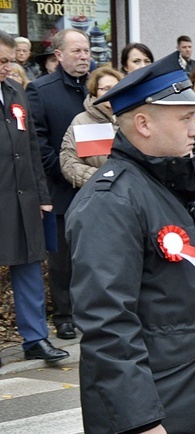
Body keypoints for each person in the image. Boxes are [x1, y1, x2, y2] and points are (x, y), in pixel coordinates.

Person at [66, 50, 195, 434]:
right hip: (155, 409)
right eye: (186, 119)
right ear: (143, 123)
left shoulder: (170, 184)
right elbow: (108, 323)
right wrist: (140, 420)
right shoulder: (111, 201)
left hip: (192, 393)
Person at [0, 29, 70, 364]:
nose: (6, 67)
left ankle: (35, 338)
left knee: (28, 264)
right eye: (1, 61)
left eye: (10, 61)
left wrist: (43, 196)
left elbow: (29, 150)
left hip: (23, 196)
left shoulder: (16, 92)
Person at [26, 28, 91, 341]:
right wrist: (64, 171)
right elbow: (36, 139)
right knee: (62, 259)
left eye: (87, 51)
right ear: (59, 55)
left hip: (94, 185)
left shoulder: (95, 89)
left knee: (93, 255)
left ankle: (89, 311)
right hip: (61, 187)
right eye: (76, 51)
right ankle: (64, 316)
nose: (83, 57)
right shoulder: (41, 90)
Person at [60, 66, 122, 188]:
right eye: (106, 89)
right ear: (94, 92)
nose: (112, 92)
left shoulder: (132, 118)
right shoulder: (82, 121)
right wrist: (104, 178)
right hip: (97, 193)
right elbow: (69, 164)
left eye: (116, 88)